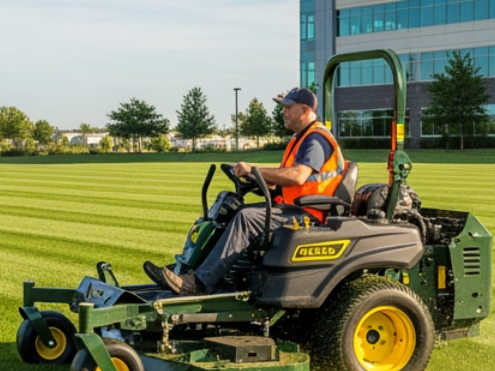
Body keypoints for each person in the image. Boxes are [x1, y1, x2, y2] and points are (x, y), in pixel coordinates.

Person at [144, 86, 345, 296]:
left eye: (287, 107)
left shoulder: (316, 139)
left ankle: (199, 284)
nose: (282, 112)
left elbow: (298, 176)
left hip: (309, 213)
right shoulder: (301, 138)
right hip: (292, 207)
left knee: (246, 218)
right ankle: (192, 271)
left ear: (304, 110)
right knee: (230, 209)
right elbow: (288, 182)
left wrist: (254, 171)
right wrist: (256, 181)